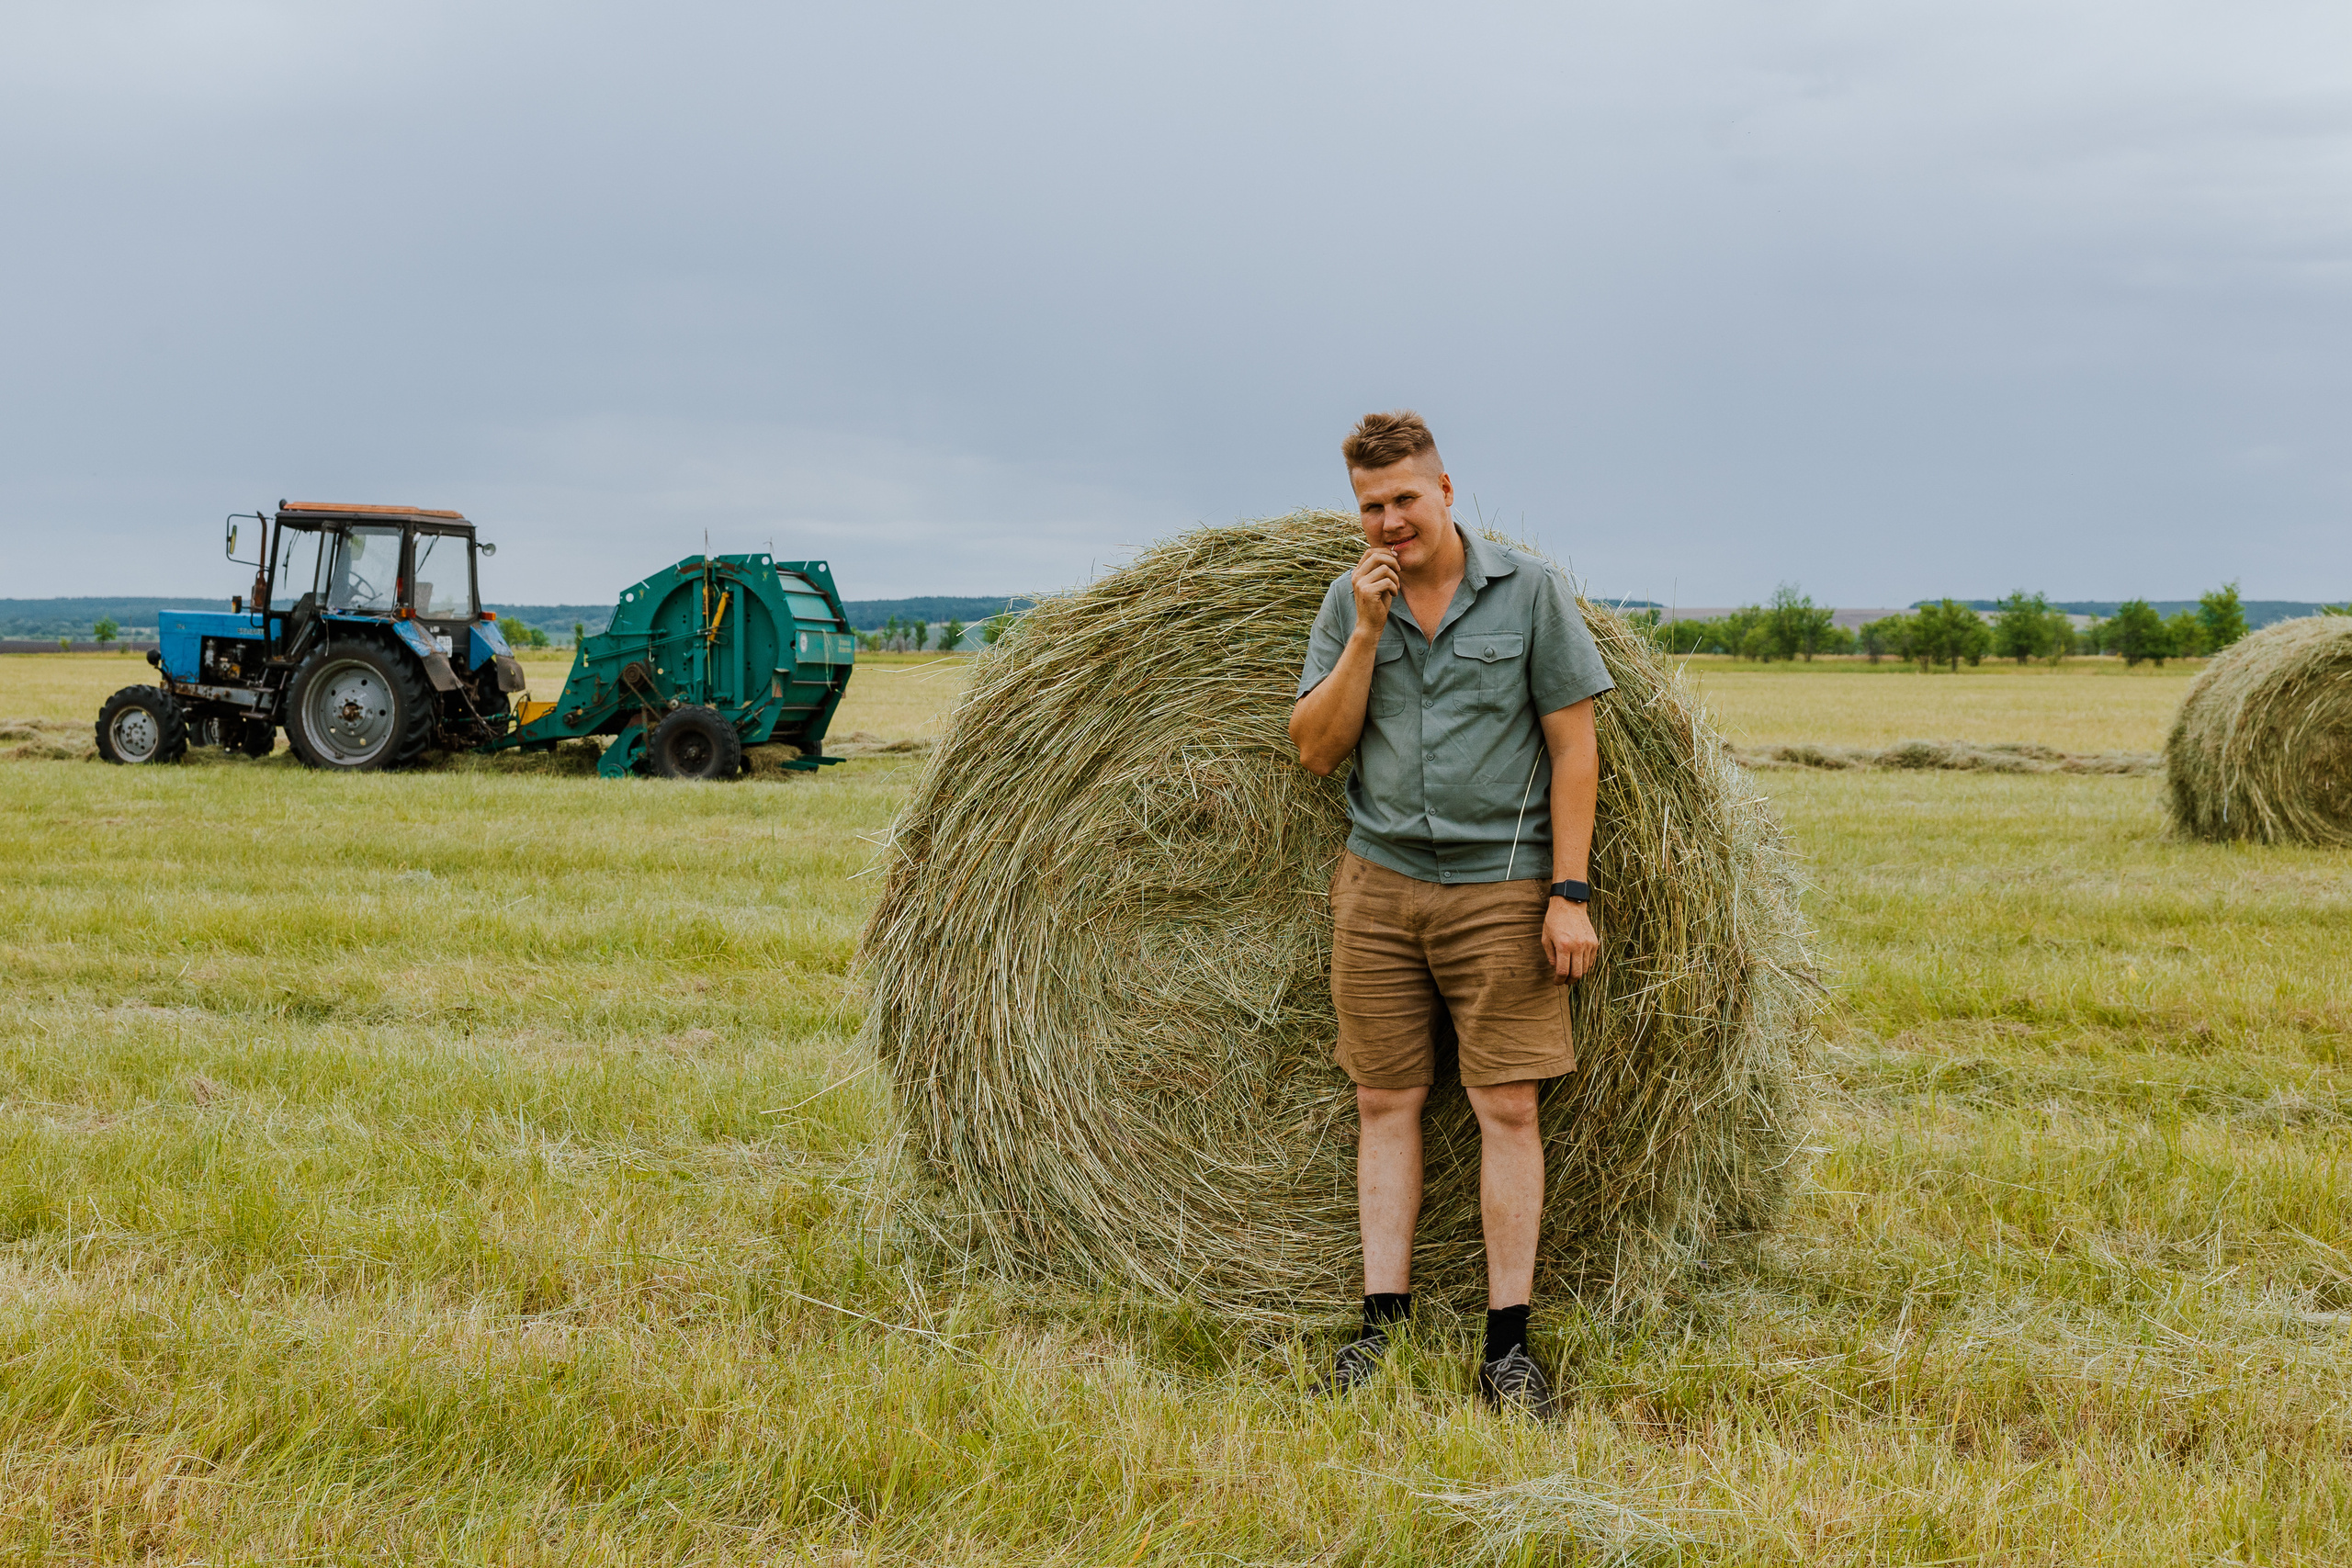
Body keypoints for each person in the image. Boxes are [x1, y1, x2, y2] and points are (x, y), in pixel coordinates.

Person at [1289, 410, 1611, 1416]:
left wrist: (1568, 893)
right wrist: (1367, 634)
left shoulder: (1530, 593)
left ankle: (1506, 1349)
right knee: (1382, 1102)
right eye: (1370, 507)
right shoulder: (1348, 605)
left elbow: (1574, 747)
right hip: (1379, 884)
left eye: (1404, 500)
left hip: (1501, 889)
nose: (1389, 522)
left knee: (1506, 1106)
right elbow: (1314, 749)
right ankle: (1381, 1325)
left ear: (1445, 492)